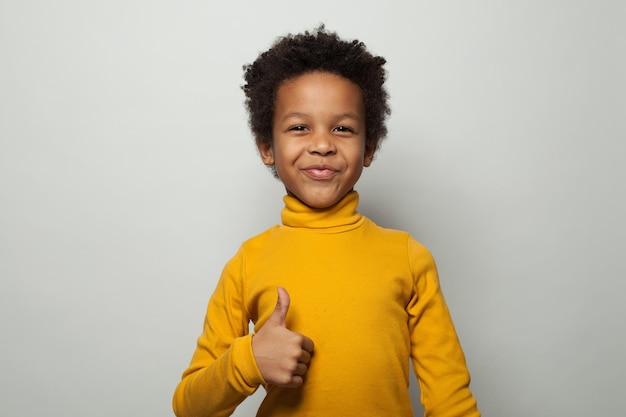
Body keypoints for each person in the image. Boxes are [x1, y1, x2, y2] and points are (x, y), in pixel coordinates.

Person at [172, 26, 480, 417]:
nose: (322, 144)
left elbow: (451, 401)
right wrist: (248, 361)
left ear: (368, 148)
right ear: (267, 147)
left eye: (343, 128)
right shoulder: (247, 264)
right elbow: (189, 408)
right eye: (300, 127)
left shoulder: (409, 258)